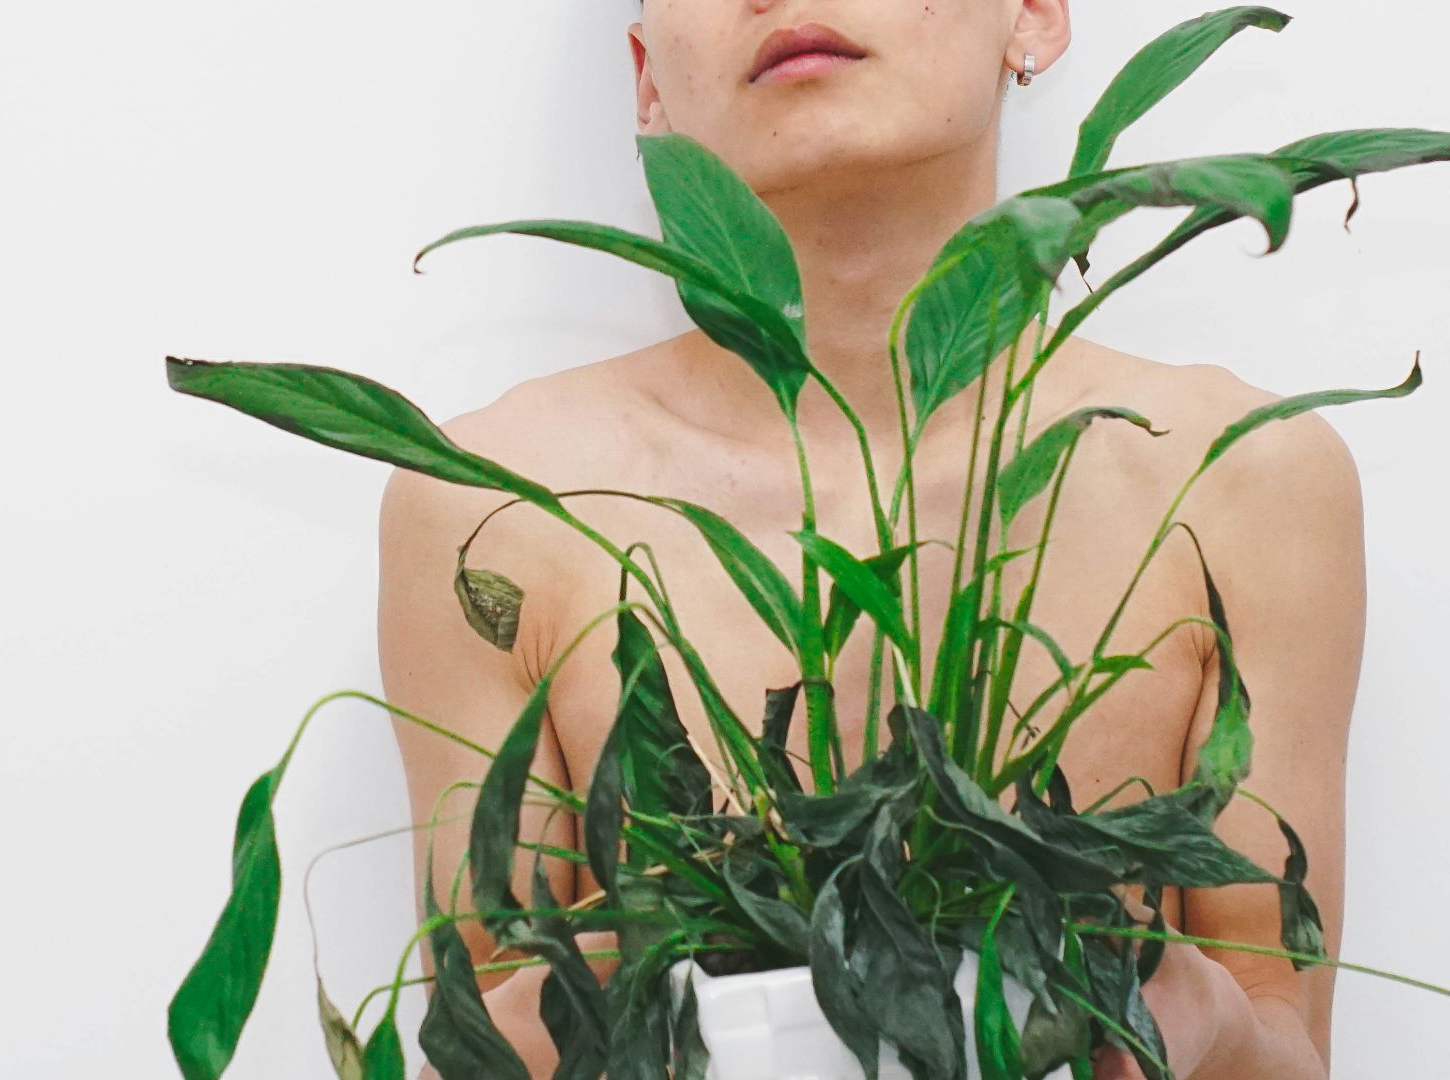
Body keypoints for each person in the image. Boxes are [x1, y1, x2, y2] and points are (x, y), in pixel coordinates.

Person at [376, 2, 1360, 1076]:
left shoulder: (1238, 480)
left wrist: (1185, 1015)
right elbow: (478, 1022)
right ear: (649, 79)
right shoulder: (496, 501)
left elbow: (1280, 1018)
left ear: (1029, 14)